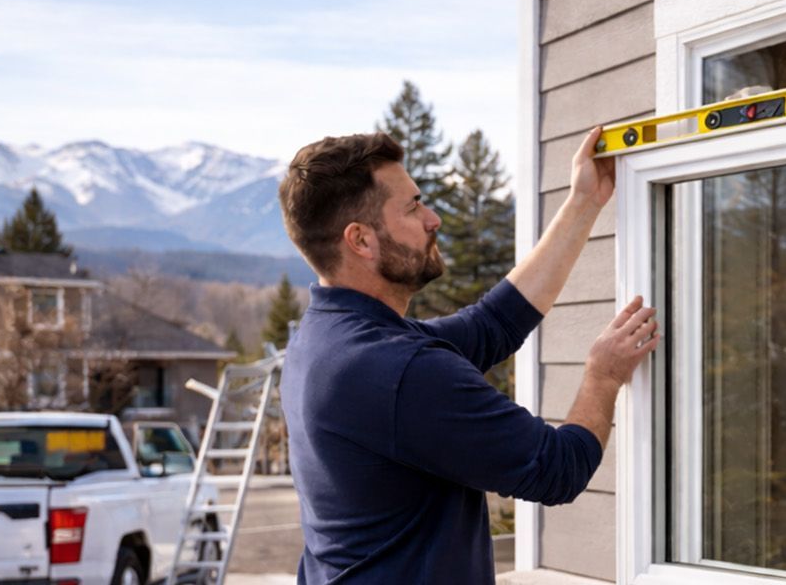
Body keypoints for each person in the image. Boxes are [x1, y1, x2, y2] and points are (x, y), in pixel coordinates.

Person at [276, 126, 656, 583]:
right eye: (413, 207)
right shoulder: (397, 370)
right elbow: (558, 468)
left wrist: (584, 201)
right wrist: (603, 375)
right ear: (360, 240)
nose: (432, 218)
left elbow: (493, 323)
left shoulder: (325, 340)